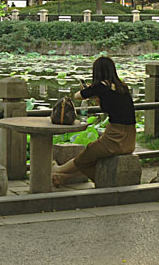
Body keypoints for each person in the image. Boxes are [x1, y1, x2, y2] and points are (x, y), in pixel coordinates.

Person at [52, 56, 136, 186]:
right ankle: (62, 178)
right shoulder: (122, 87)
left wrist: (90, 90)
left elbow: (78, 96)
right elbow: (110, 106)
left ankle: (57, 169)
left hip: (115, 138)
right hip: (130, 139)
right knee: (93, 159)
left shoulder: (100, 86)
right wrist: (96, 95)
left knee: (87, 155)